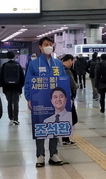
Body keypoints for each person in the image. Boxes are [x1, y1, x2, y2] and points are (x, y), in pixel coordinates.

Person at [24, 36, 67, 168]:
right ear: (40, 47)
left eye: (50, 44)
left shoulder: (58, 64)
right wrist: (29, 98)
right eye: (46, 44)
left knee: (55, 125)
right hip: (39, 100)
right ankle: (40, 155)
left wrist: (67, 98)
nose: (49, 46)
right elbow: (28, 82)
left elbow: (64, 80)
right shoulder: (33, 64)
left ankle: (53, 154)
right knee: (40, 127)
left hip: (56, 101)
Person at [0, 51, 25, 125]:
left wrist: (3, 86)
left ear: (7, 57)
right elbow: (22, 77)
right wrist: (20, 86)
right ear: (14, 56)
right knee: (16, 103)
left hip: (7, 87)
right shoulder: (17, 65)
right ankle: (16, 118)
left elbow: (1, 77)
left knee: (9, 102)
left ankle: (10, 117)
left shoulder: (4, 65)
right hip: (16, 87)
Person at [61, 54, 78, 145]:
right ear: (69, 61)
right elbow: (73, 85)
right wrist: (77, 85)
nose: (72, 63)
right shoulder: (67, 71)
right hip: (68, 97)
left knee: (65, 118)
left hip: (60, 97)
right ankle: (65, 137)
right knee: (73, 119)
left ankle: (65, 138)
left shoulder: (58, 69)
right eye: (73, 61)